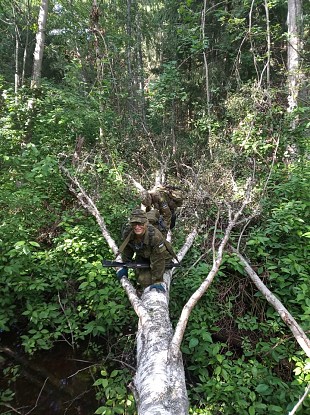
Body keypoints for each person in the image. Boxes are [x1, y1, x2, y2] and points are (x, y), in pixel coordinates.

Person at [116, 208, 174, 293]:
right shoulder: (128, 232)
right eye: (134, 224)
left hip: (161, 257)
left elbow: (158, 260)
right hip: (144, 254)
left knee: (146, 281)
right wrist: (125, 265)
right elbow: (127, 249)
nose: (137, 227)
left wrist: (157, 280)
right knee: (139, 276)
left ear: (146, 223)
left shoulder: (155, 236)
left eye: (140, 224)